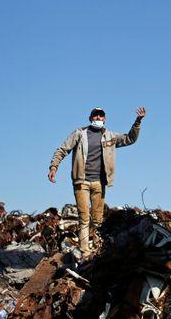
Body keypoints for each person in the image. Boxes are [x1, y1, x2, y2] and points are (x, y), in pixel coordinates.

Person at [48, 106, 146, 253]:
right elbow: (62, 149)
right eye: (95, 115)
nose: (98, 118)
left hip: (99, 183)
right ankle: (84, 250)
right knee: (84, 217)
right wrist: (53, 167)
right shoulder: (80, 134)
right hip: (81, 181)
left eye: (101, 116)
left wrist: (137, 122)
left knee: (98, 219)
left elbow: (129, 138)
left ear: (104, 119)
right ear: (90, 118)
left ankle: (97, 249)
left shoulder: (110, 136)